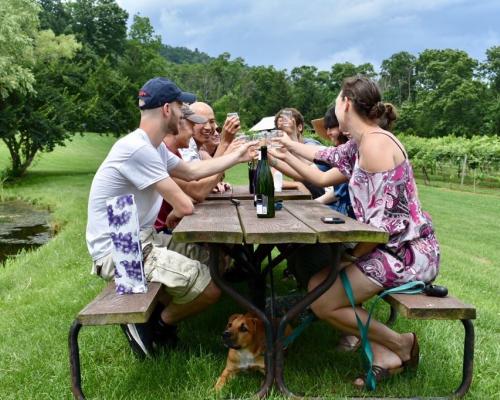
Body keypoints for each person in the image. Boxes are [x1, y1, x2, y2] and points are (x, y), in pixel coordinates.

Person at [270, 76, 440, 387]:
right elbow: (321, 163)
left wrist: (349, 258)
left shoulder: (374, 146)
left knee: (323, 299)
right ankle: (385, 354)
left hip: (405, 254)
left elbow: (380, 229)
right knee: (319, 282)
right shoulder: (362, 143)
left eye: (336, 99)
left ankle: (402, 344)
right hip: (389, 248)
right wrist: (282, 148)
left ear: (346, 103)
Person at [86, 77, 256, 358]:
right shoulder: (137, 148)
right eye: (181, 108)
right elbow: (186, 204)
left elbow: (192, 173)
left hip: (140, 237)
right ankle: (155, 325)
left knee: (216, 260)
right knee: (211, 289)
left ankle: (156, 318)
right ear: (167, 109)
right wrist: (177, 210)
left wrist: (237, 155)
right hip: (121, 250)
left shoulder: (153, 146)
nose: (185, 115)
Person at [273, 107, 323, 197]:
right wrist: (297, 185)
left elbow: (310, 169)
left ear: (299, 127)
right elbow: (272, 179)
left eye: (287, 132)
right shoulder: (281, 149)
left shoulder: (311, 144)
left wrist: (292, 137)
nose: (284, 137)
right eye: (281, 132)